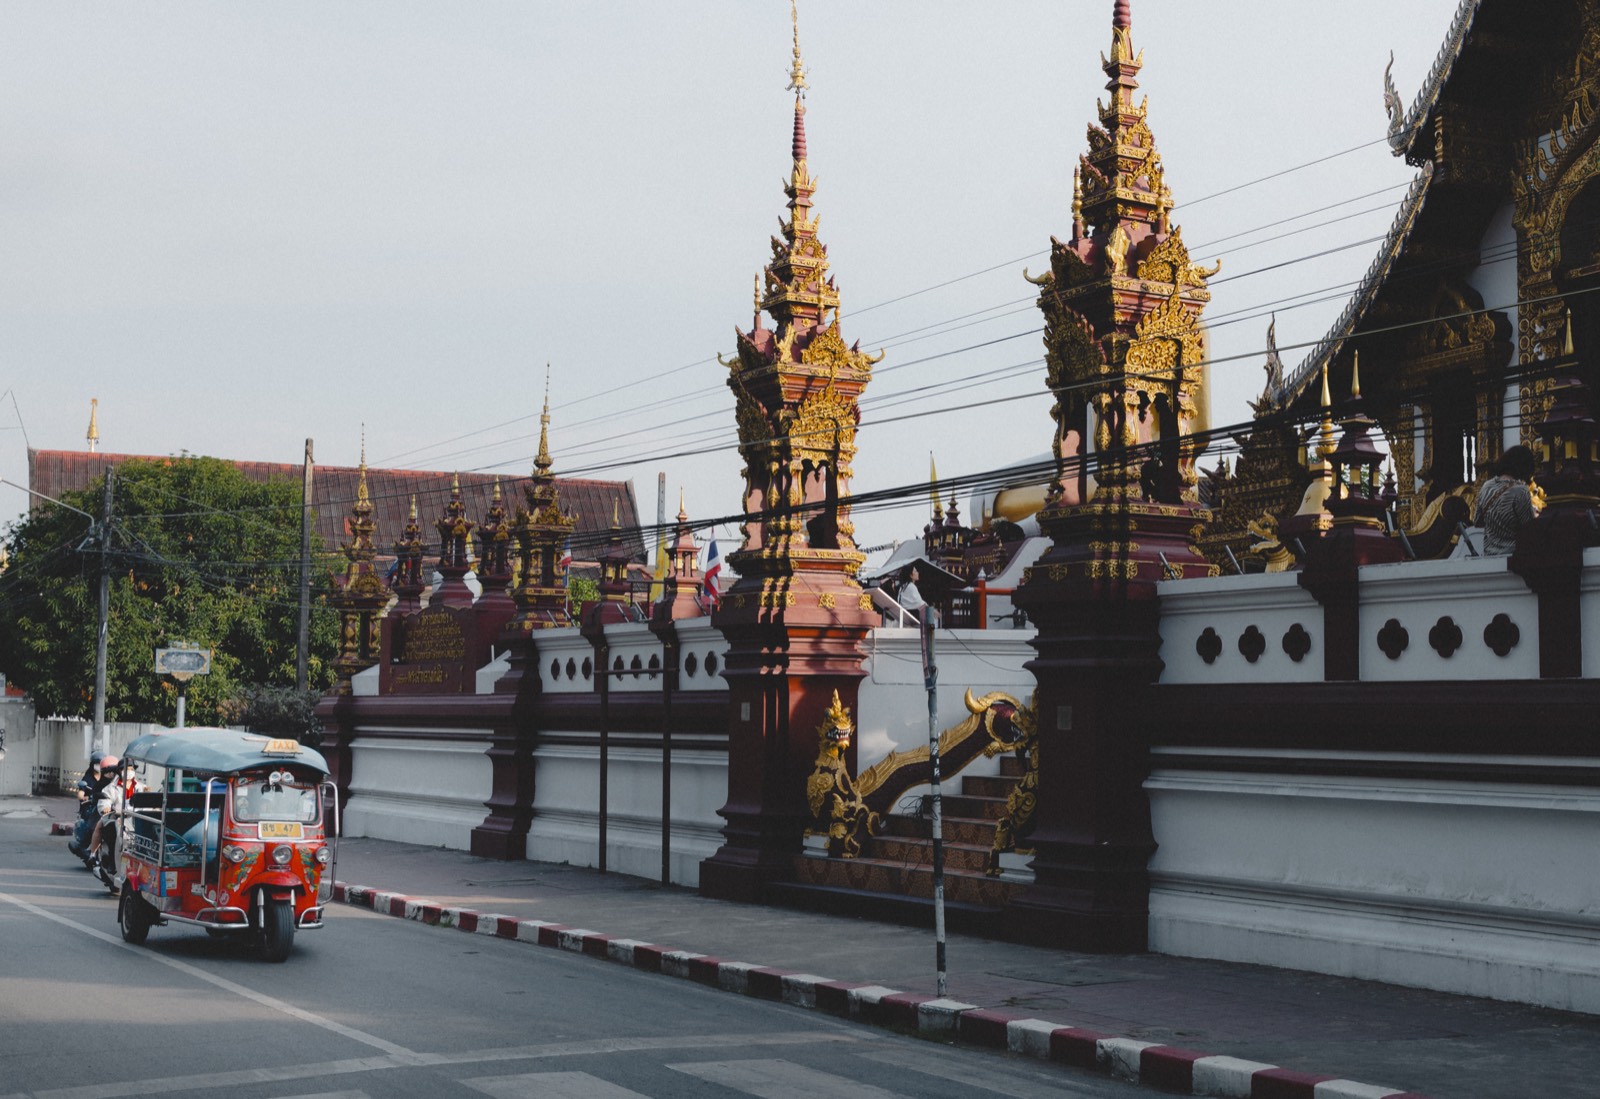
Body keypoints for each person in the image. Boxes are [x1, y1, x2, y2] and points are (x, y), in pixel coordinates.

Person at [1476, 445, 1538, 556]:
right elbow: (1529, 528)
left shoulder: (1486, 486)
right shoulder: (1520, 491)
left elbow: (1478, 522)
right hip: (1512, 555)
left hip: (1489, 555)